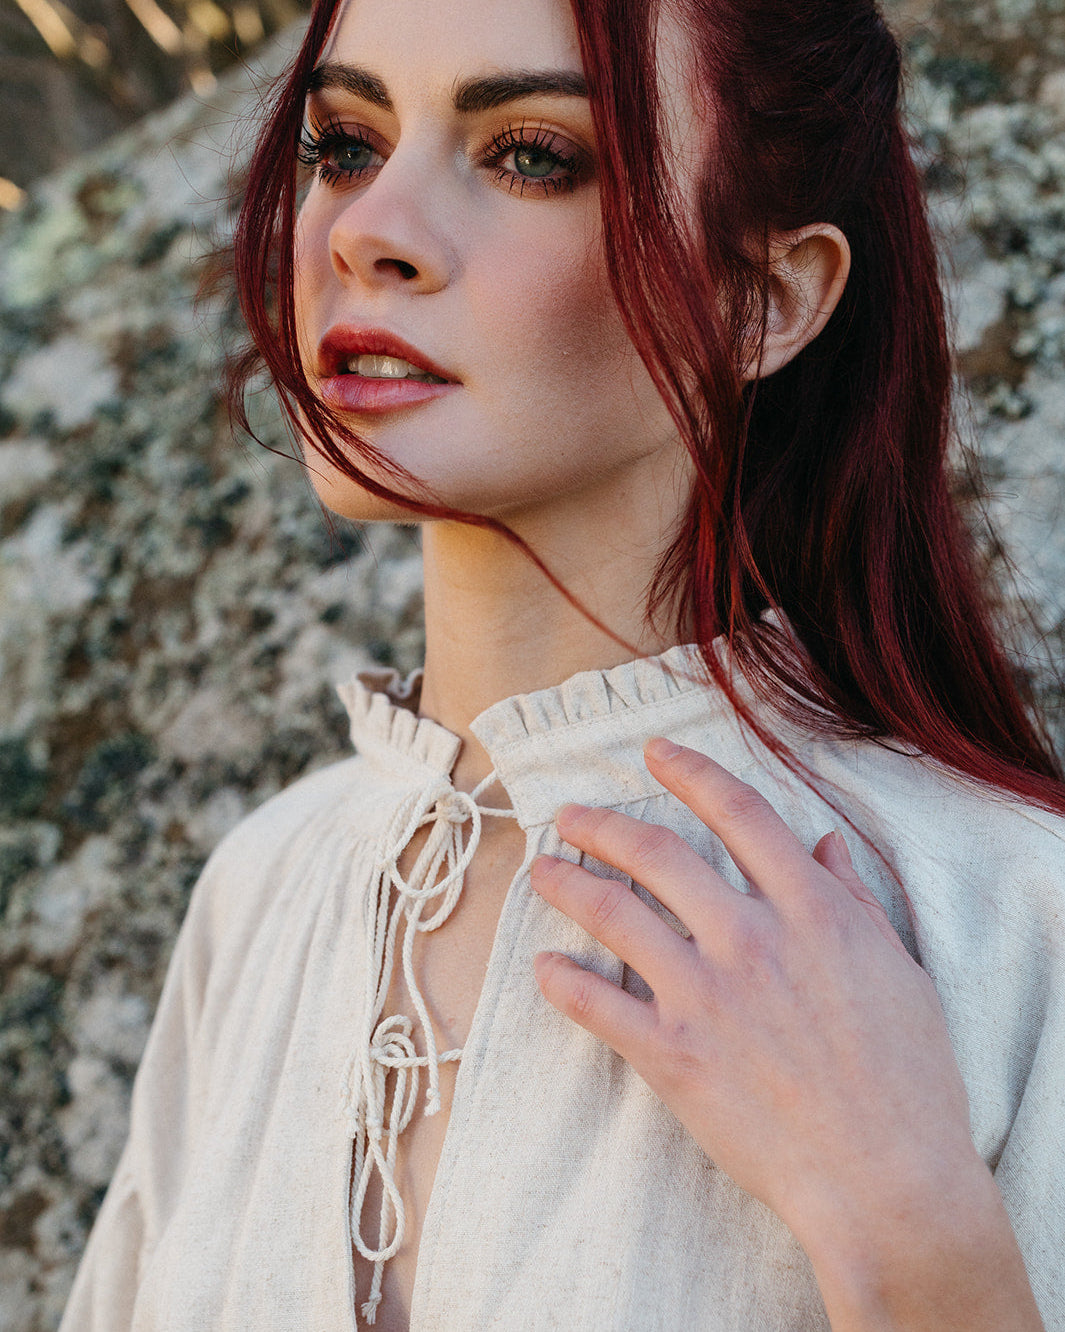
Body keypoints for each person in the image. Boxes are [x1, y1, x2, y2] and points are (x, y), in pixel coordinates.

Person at [60, 0, 1065, 1327]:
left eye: (529, 153)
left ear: (762, 298)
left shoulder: (1000, 917)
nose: (363, 231)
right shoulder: (261, 891)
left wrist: (912, 1232)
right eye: (343, 141)